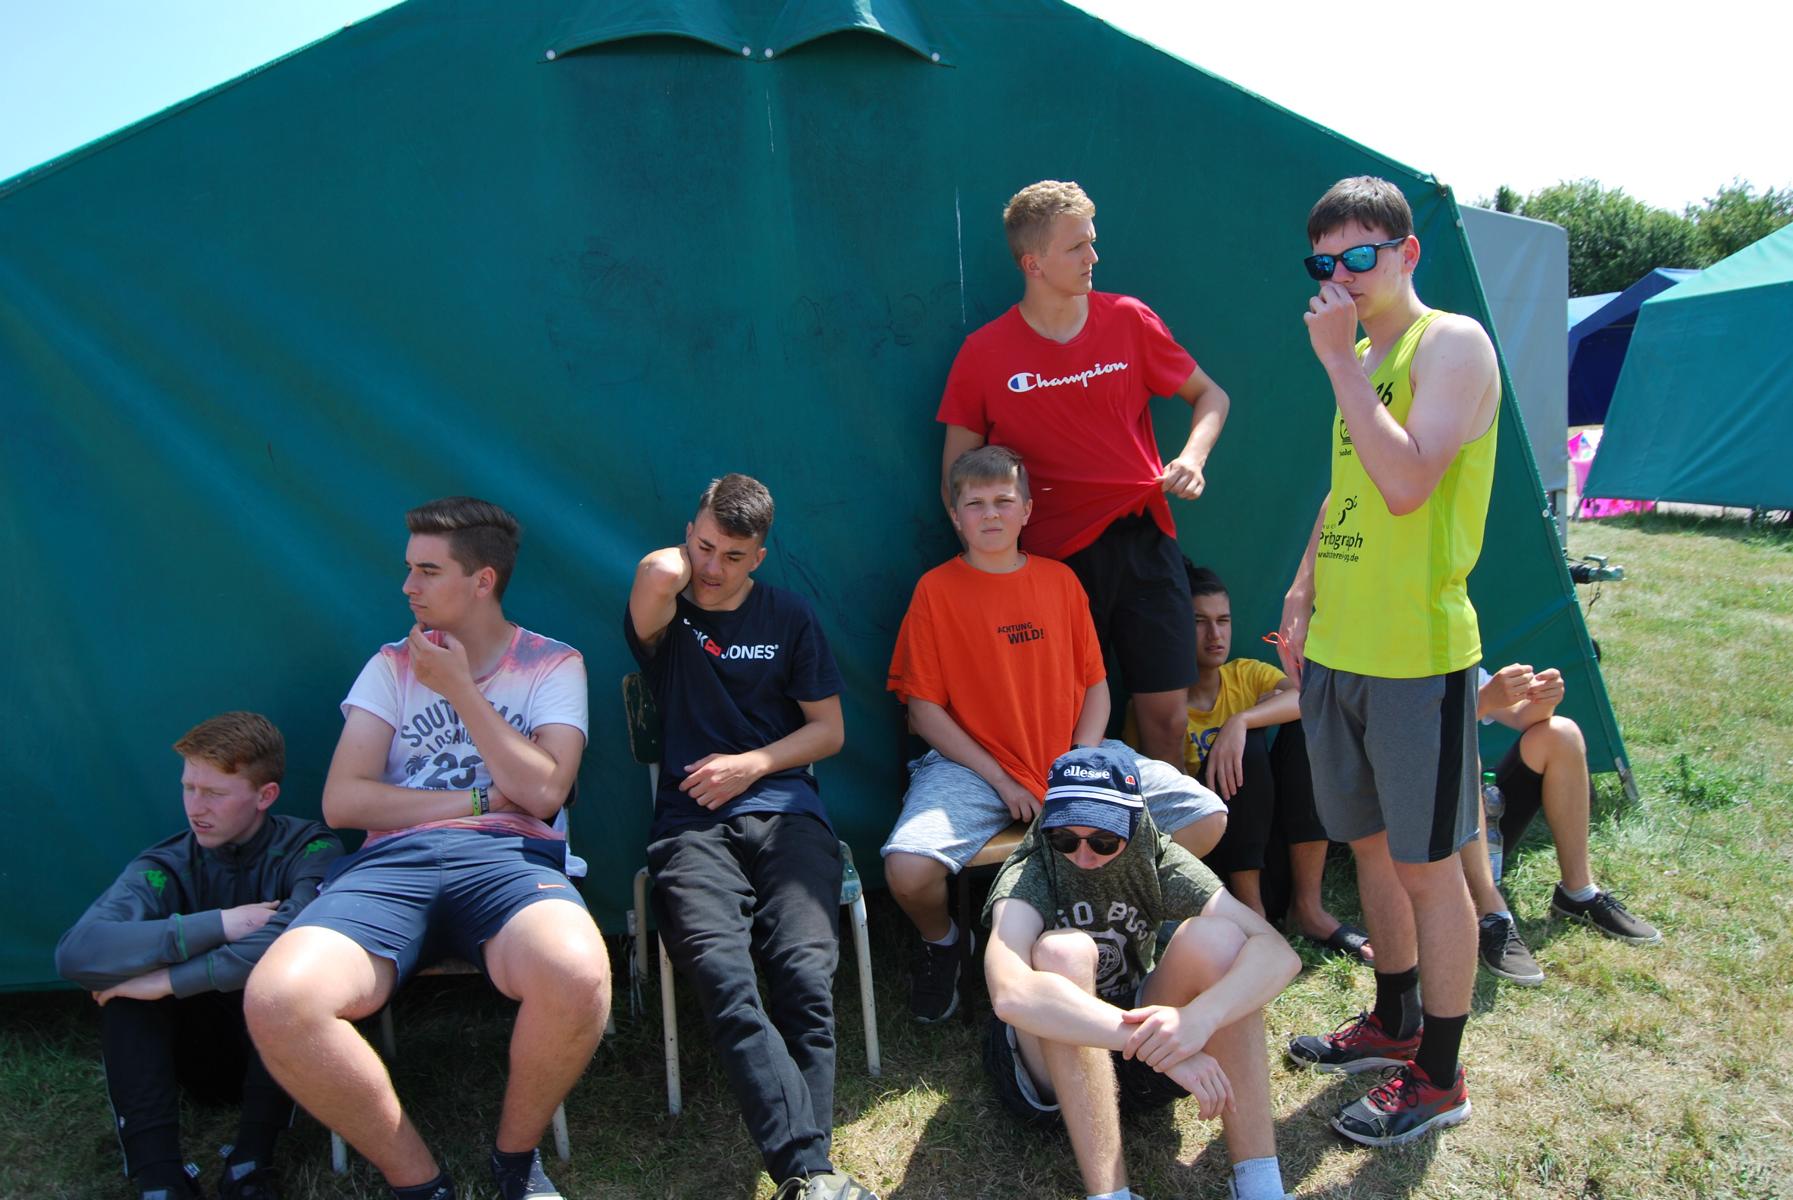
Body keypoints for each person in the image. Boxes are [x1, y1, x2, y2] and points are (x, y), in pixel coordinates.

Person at [245, 497, 607, 1200]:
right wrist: (477, 801)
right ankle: (418, 1183)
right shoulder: (389, 666)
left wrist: (461, 691)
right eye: (409, 568)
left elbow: (543, 793)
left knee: (578, 973)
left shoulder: (552, 664)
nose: (407, 586)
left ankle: (515, 1165)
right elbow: (344, 801)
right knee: (278, 998)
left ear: (482, 580)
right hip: (390, 866)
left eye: (427, 571)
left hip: (509, 861)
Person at [1276, 177, 1501, 1147]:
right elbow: (1352, 488)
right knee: (1367, 848)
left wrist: (1338, 364)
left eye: (1360, 256)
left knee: (1425, 866)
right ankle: (1393, 1018)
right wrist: (1300, 591)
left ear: (1407, 254)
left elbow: (1406, 481)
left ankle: (1438, 1076)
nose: (1341, 277)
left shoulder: (1449, 344)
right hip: (1340, 650)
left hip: (1415, 654)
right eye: (1324, 263)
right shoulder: (1360, 361)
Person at [884, 445, 1228, 1023]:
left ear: (1026, 511)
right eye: (975, 504)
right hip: (973, 767)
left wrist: (1078, 767)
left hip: (1073, 753)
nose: (990, 514)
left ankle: (1112, 920)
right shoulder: (935, 591)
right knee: (907, 870)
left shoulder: (1061, 580)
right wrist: (1000, 778)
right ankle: (945, 945)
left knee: (1206, 816)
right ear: (956, 515)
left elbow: (1096, 686)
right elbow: (924, 711)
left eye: (1003, 501)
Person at [626, 473, 875, 1200]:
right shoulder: (668, 614)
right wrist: (685, 558)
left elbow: (828, 731)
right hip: (691, 825)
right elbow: (656, 574)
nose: (712, 567)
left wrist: (753, 764)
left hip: (788, 812)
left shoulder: (789, 615)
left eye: (733, 556)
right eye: (704, 546)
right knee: (723, 975)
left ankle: (806, 1173)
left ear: (759, 558)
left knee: (805, 970)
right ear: (689, 533)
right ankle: (812, 1174)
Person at [937, 179, 1233, 768]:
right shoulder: (984, 352)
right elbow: (957, 473)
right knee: (1062, 722)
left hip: (1145, 540)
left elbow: (1211, 395)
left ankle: (1157, 827)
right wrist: (988, 561)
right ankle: (1072, 825)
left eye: (1092, 242)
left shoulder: (1128, 319)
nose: (1093, 257)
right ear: (1033, 263)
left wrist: (1192, 458)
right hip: (1053, 562)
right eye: (1077, 247)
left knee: (1168, 718)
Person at [982, 747, 1300, 1200]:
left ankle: (1259, 1184)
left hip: (1140, 1056)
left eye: (1103, 841)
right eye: (1064, 838)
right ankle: (1109, 1195)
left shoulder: (1159, 857)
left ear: (1136, 825)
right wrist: (1157, 1043)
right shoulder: (1030, 871)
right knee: (1062, 953)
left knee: (1221, 940)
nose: (1083, 855)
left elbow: (1278, 953)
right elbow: (1011, 994)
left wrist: (1198, 1019)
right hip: (1048, 1074)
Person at [56, 712, 342, 1200]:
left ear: (265, 795)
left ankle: (251, 1164)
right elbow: (77, 953)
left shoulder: (310, 847)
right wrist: (222, 923)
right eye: (189, 788)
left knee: (288, 979)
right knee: (124, 996)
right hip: (190, 1054)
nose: (196, 807)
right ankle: (159, 1179)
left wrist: (166, 980)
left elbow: (301, 935)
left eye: (214, 793)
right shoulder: (165, 864)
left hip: (277, 1049)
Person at [1125, 562, 1371, 964]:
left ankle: (1307, 908)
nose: (1215, 634)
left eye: (1223, 621)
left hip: (1271, 854)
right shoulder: (1154, 708)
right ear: (1176, 627)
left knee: (1303, 728)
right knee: (1249, 750)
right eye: (1200, 622)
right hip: (1214, 867)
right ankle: (1251, 912)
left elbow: (1309, 698)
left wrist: (1240, 721)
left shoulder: (1247, 675)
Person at [1464, 663, 1663, 986]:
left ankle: (1578, 891)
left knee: (1561, 733)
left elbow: (1522, 716)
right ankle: (1490, 913)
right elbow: (1418, 733)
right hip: (1418, 829)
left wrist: (1543, 698)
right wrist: (1484, 700)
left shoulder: (1451, 646)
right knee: (1459, 754)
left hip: (1477, 822)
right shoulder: (1390, 652)